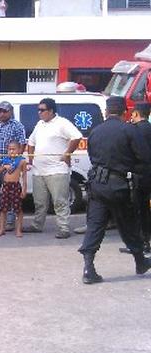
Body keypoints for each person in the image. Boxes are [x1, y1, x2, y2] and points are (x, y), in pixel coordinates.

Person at [78, 96, 151, 284]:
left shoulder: (95, 131)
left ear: (106, 112)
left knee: (95, 226)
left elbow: (93, 156)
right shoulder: (129, 130)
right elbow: (144, 156)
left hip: (97, 185)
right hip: (119, 185)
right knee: (128, 224)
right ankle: (140, 261)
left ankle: (88, 268)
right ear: (124, 112)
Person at [23, 98, 82, 239]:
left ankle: (64, 227)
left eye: (42, 110)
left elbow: (77, 137)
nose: (39, 113)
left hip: (57, 170)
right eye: (38, 110)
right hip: (39, 170)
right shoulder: (40, 124)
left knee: (60, 201)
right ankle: (37, 225)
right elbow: (31, 142)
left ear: (51, 111)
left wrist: (67, 154)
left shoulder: (62, 123)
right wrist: (31, 159)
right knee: (39, 201)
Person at [0, 101, 27, 231]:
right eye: (0, 111)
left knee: (12, 194)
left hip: (11, 166)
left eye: (5, 111)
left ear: (10, 112)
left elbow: (22, 144)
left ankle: (10, 221)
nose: (2, 113)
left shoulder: (17, 126)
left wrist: (16, 162)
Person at [119, 103, 151, 254]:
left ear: (137, 114)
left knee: (138, 210)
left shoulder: (135, 131)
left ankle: (141, 243)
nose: (130, 117)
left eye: (132, 114)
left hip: (139, 175)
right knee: (145, 209)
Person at [0, 141, 28, 237]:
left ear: (19, 150)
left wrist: (24, 189)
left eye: (14, 149)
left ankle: (18, 230)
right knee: (3, 209)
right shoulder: (6, 160)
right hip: (6, 186)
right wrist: (4, 166)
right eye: (9, 149)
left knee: (18, 209)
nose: (11, 151)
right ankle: (2, 229)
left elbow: (24, 176)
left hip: (16, 186)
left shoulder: (21, 161)